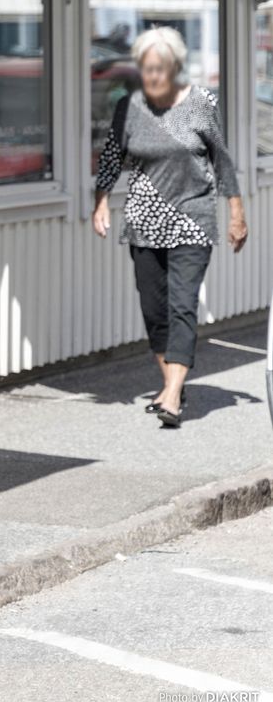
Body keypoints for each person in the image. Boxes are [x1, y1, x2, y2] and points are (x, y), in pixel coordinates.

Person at [93, 27, 246, 429]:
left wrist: (236, 211)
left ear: (175, 68)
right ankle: (170, 385)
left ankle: (174, 396)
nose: (153, 77)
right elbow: (111, 158)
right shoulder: (130, 108)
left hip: (192, 218)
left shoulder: (200, 103)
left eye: (160, 69)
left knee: (182, 305)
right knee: (153, 308)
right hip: (144, 220)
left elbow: (222, 161)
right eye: (146, 69)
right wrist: (100, 203)